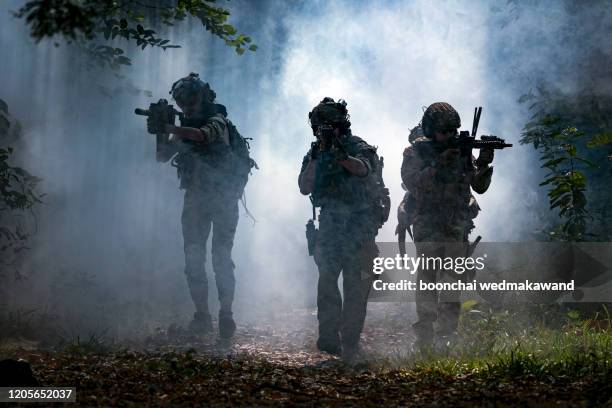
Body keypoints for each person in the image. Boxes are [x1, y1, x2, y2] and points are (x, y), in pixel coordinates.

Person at [146, 73, 254, 339]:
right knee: (193, 259)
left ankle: (226, 314)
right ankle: (202, 316)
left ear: (203, 97)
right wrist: (160, 131)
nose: (186, 105)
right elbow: (162, 156)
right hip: (196, 198)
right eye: (182, 101)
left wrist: (169, 128)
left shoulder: (217, 120)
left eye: (191, 98)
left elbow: (203, 136)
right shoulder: (184, 128)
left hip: (223, 198)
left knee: (221, 258)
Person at [298, 97, 386, 362]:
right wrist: (319, 155)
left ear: (340, 125)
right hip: (330, 226)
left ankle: (350, 340)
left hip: (359, 228)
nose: (324, 132)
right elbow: (304, 186)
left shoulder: (358, 147)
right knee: (327, 282)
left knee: (356, 289)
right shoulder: (315, 152)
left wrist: (340, 156)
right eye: (319, 128)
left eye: (329, 127)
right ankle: (328, 336)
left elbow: (363, 169)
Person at [400, 102, 494, 350]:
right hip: (428, 224)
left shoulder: (462, 153)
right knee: (428, 279)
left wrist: (483, 163)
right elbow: (411, 182)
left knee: (453, 280)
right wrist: (437, 163)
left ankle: (447, 334)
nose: (450, 136)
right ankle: (425, 333)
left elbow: (479, 186)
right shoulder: (415, 153)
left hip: (455, 224)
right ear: (431, 131)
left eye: (454, 131)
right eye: (444, 131)